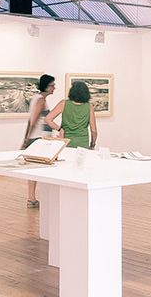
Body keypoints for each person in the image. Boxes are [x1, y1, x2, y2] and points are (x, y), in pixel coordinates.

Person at [21, 74, 55, 209]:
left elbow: (30, 120)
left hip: (36, 138)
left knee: (34, 169)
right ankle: (32, 198)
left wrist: (25, 139)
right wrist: (26, 139)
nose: (54, 88)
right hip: (39, 139)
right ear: (46, 86)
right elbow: (33, 121)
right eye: (52, 85)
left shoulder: (37, 98)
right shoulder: (40, 100)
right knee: (39, 169)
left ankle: (32, 198)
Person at [46, 80, 97, 150]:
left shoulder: (64, 103)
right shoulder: (89, 106)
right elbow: (93, 130)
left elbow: (48, 119)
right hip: (82, 143)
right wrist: (92, 144)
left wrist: (59, 129)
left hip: (66, 142)